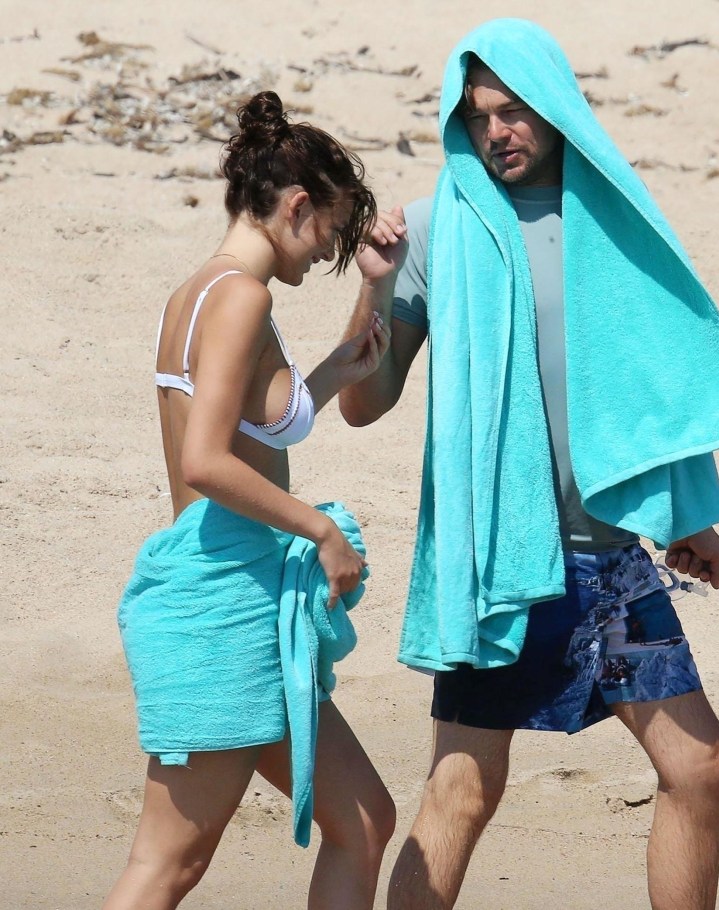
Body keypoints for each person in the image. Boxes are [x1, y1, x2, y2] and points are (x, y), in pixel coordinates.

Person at [340, 19, 719, 910]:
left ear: (559, 110)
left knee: (701, 766)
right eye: (481, 114)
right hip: (505, 563)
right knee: (464, 786)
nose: (499, 131)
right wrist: (376, 284)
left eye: (516, 111)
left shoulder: (611, 223)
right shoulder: (433, 229)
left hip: (610, 558)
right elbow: (363, 401)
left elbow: (651, 385)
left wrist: (685, 510)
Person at [105, 91, 397, 910]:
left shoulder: (200, 290)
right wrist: (321, 534)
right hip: (220, 605)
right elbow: (205, 462)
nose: (324, 256)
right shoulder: (244, 297)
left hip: (239, 599)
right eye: (331, 235)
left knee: (365, 820)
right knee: (169, 863)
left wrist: (366, 311)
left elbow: (273, 414)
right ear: (297, 206)